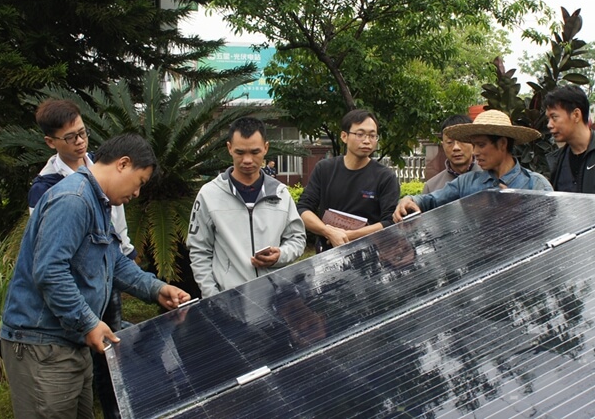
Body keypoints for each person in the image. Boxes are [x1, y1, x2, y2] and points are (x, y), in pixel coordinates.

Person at [0, 133, 190, 419]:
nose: (137, 194)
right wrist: (89, 322)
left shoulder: (97, 202)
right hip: (44, 346)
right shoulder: (73, 200)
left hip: (69, 343)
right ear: (123, 164)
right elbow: (50, 271)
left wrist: (156, 288)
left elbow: (113, 261)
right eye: (140, 183)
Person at [28, 98, 134, 418]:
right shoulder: (46, 187)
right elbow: (48, 256)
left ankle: (115, 408)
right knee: (88, 351)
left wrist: (128, 261)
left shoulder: (102, 168)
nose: (80, 142)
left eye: (82, 133)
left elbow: (118, 227)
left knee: (110, 351)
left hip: (107, 275)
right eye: (70, 137)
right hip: (74, 288)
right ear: (50, 142)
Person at [187, 117, 306, 299]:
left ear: (266, 148)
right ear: (229, 148)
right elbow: (199, 250)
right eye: (240, 152)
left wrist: (280, 255)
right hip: (227, 303)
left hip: (276, 302)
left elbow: (297, 238)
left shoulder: (281, 193)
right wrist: (212, 295)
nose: (248, 160)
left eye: (255, 152)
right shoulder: (209, 195)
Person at [393, 110, 553, 221]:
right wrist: (408, 199)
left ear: (503, 143)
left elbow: (551, 227)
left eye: (481, 145)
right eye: (474, 145)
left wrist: (518, 208)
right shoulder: (466, 182)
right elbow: (430, 200)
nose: (475, 152)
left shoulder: (536, 185)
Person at [296, 109, 400, 252]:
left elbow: (390, 222)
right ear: (344, 136)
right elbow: (303, 208)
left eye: (372, 135)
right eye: (360, 134)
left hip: (370, 258)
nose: (366, 140)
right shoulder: (325, 169)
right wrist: (328, 232)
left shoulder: (385, 177)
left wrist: (349, 236)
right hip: (327, 255)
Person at [422, 114, 482, 194]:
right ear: (443, 145)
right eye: (450, 142)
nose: (456, 147)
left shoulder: (490, 178)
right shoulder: (431, 187)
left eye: (462, 140)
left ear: (473, 143)